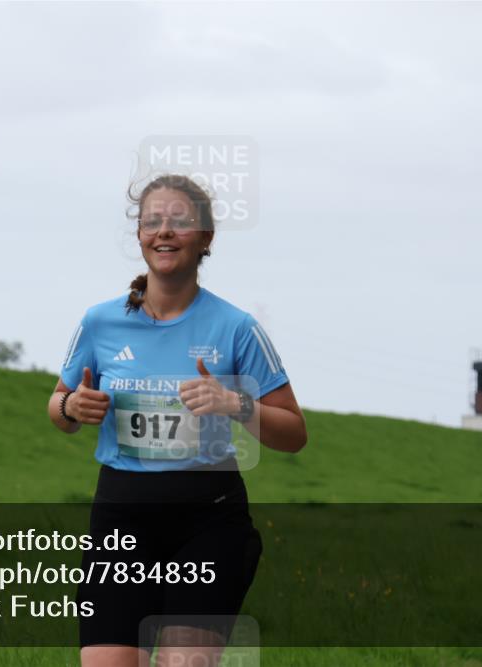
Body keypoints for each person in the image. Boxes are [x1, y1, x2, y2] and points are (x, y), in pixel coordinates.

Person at [47, 174, 308, 667]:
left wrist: (238, 404)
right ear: (141, 235)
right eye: (153, 222)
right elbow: (58, 406)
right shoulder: (100, 322)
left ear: (206, 237)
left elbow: (294, 434)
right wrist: (72, 408)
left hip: (207, 521)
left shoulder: (237, 328)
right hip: (120, 520)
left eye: (180, 222)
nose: (164, 232)